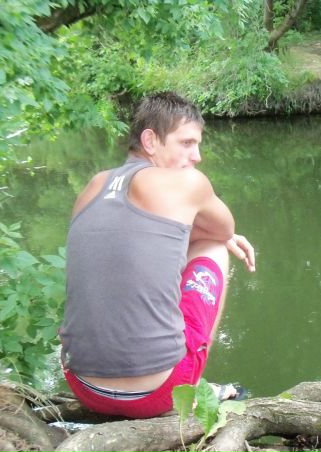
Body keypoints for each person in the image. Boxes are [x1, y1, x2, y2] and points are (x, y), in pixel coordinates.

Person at [59, 92, 255, 418]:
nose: (197, 156)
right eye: (186, 143)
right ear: (150, 141)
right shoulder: (187, 183)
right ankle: (191, 386)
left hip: (83, 386)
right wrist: (222, 237)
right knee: (215, 246)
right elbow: (224, 230)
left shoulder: (92, 186)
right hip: (156, 393)